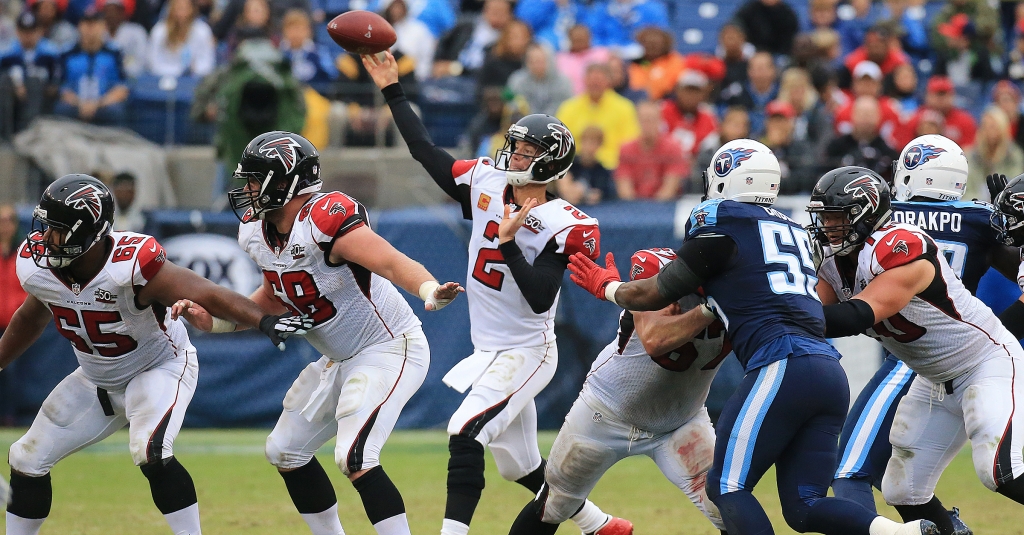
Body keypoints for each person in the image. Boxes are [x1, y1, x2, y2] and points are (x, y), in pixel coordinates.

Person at [567, 139, 938, 535]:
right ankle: (903, 532)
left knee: (726, 487)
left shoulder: (721, 222)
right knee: (804, 506)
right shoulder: (795, 230)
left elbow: (656, 291)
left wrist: (608, 287)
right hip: (829, 371)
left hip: (780, 365)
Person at [363, 51, 632, 535]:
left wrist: (508, 243)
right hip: (489, 349)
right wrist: (393, 90)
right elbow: (426, 152)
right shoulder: (486, 181)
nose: (515, 156)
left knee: (464, 432)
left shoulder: (565, 222)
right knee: (518, 466)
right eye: (516, 146)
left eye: (528, 152)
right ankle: (602, 526)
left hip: (528, 350)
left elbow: (539, 296)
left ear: (549, 164)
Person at [174, 131, 464, 535]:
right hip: (338, 358)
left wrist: (429, 289)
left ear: (286, 181)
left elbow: (393, 262)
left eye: (256, 179)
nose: (248, 189)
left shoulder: (324, 220)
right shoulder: (257, 232)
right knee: (285, 451)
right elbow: (275, 297)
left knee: (356, 456)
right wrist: (218, 321)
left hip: (389, 347)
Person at [1, 174, 310, 535]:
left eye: (56, 229)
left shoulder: (129, 265)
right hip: (96, 378)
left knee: (149, 449)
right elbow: (30, 317)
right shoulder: (40, 266)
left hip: (158, 367)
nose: (44, 238)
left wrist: (264, 320)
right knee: (26, 458)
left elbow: (207, 293)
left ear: (87, 233)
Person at [808, 166, 1024, 532]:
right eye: (824, 219)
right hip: (935, 378)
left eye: (836, 218)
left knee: (999, 470)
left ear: (865, 213)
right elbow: (815, 311)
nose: (828, 228)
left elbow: (854, 316)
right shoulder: (833, 260)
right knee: (903, 489)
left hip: (985, 363)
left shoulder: (899, 245)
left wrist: (776, 315)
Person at [506, 248, 728, 535]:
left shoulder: (749, 285)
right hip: (606, 412)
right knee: (554, 504)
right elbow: (654, 338)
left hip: (681, 420)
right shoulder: (658, 265)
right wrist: (711, 310)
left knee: (729, 510)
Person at [556, 62, 639, 170]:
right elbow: (559, 143)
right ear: (584, 81)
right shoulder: (568, 108)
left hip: (612, 168)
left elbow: (630, 144)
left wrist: (600, 157)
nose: (595, 84)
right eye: (591, 81)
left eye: (599, 81)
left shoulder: (625, 108)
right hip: (575, 167)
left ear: (608, 81)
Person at [54, 7, 129, 126]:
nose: (90, 29)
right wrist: (79, 103)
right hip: (75, 103)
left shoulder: (115, 53)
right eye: (87, 24)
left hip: (104, 104)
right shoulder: (67, 53)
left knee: (116, 111)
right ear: (79, 26)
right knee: (61, 109)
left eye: (95, 24)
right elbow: (61, 88)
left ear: (104, 26)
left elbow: (121, 88)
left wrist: (98, 104)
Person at [0, 11, 60, 140]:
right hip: (12, 98)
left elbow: (56, 81)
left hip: (41, 99)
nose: (28, 36)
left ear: (40, 31)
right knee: (4, 83)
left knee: (34, 83)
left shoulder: (50, 53)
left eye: (31, 31)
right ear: (17, 32)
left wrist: (32, 82)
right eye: (24, 31)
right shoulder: (6, 53)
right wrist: (17, 84)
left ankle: (28, 136)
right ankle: (5, 137)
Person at [614, 100, 688, 200]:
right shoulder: (626, 149)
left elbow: (669, 189)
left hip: (664, 207)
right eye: (644, 120)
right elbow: (625, 190)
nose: (648, 124)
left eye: (651, 120)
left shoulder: (673, 147)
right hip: (634, 207)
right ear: (637, 121)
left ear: (660, 121)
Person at [824, 96, 898, 180]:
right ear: (852, 115)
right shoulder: (836, 147)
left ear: (879, 117)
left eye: (870, 114)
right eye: (861, 113)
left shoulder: (888, 152)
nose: (866, 118)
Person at [965, 107, 1024, 201]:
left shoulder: (1014, 155)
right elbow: (966, 189)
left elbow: (1016, 186)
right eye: (985, 126)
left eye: (993, 126)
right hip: (975, 206)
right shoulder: (970, 155)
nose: (989, 131)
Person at [146, 0, 216, 78]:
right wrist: (177, 72)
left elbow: (208, 63)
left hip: (194, 80)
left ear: (192, 9)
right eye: (178, 8)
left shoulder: (203, 31)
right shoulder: (159, 31)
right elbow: (153, 63)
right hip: (162, 80)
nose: (181, 13)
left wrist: (193, 70)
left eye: (185, 8)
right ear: (171, 9)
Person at [662, 69, 718, 166]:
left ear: (704, 94)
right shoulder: (663, 111)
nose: (691, 96)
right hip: (665, 165)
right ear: (678, 90)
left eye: (696, 92)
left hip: (696, 169)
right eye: (687, 91)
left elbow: (710, 149)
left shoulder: (709, 117)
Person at [507, 43, 573, 116]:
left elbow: (566, 106)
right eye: (532, 61)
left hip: (556, 122)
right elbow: (514, 105)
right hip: (525, 122)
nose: (536, 65)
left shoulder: (563, 82)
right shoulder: (517, 80)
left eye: (540, 61)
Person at [557, 126, 615, 205]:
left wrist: (582, 192)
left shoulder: (601, 171)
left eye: (594, 143)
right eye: (586, 141)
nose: (589, 147)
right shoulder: (568, 163)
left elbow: (596, 195)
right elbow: (564, 188)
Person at [96, 0, 146, 78]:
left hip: (133, 76)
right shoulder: (98, 33)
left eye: (114, 10)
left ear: (122, 12)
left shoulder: (136, 31)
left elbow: (142, 59)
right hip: (105, 77)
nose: (110, 15)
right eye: (107, 11)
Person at [732, 0, 800, 56]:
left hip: (780, 54)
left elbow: (790, 41)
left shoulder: (788, 14)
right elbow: (736, 25)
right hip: (753, 54)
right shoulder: (749, 9)